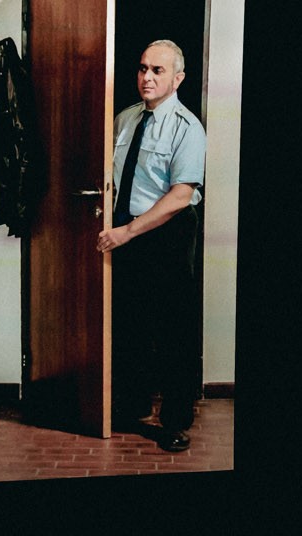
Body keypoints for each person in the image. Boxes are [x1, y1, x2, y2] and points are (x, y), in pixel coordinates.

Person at [95, 40, 207, 453]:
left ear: (178, 78)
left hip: (167, 234)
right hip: (128, 231)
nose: (147, 77)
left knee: (173, 331)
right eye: (143, 68)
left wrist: (127, 231)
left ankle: (175, 423)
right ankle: (132, 404)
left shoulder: (187, 128)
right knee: (130, 324)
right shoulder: (125, 119)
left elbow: (180, 196)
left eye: (158, 70)